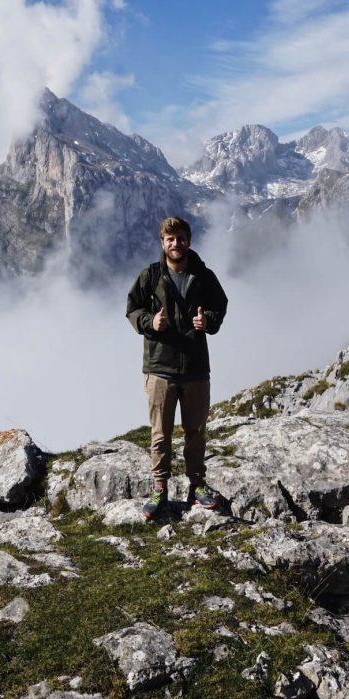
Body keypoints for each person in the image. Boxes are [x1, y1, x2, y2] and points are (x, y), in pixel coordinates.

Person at [126, 216, 228, 519]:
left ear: (188, 240)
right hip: (160, 367)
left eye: (180, 238)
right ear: (163, 243)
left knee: (196, 431)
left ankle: (197, 486)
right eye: (170, 239)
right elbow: (132, 308)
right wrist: (150, 322)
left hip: (196, 368)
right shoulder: (151, 275)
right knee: (161, 434)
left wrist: (207, 320)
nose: (175, 243)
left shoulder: (203, 275)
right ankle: (160, 488)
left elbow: (220, 304)